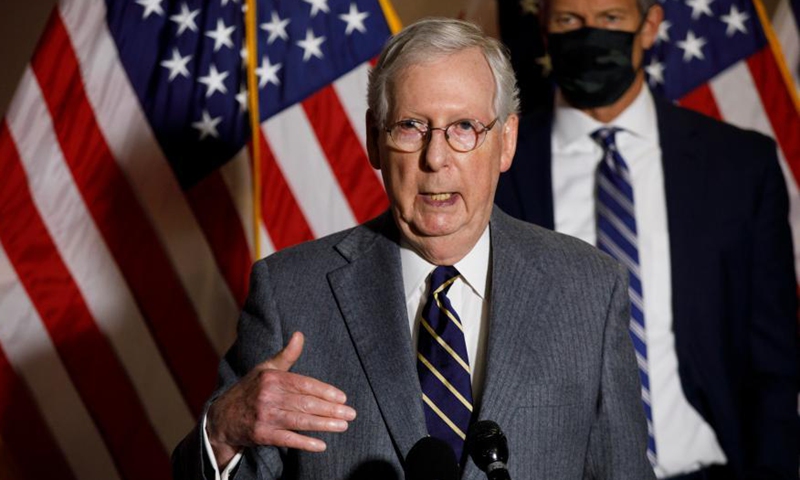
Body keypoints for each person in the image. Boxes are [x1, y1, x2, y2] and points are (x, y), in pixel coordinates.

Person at [173, 17, 655, 480]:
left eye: (464, 127)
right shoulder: (291, 293)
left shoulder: (589, 289)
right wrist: (222, 431)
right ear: (374, 140)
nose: (435, 158)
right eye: (410, 126)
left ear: (506, 141)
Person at [494, 0, 799, 477]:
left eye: (611, 18)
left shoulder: (740, 166)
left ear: (650, 24)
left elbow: (775, 359)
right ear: (544, 30)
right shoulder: (496, 171)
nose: (590, 34)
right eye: (569, 20)